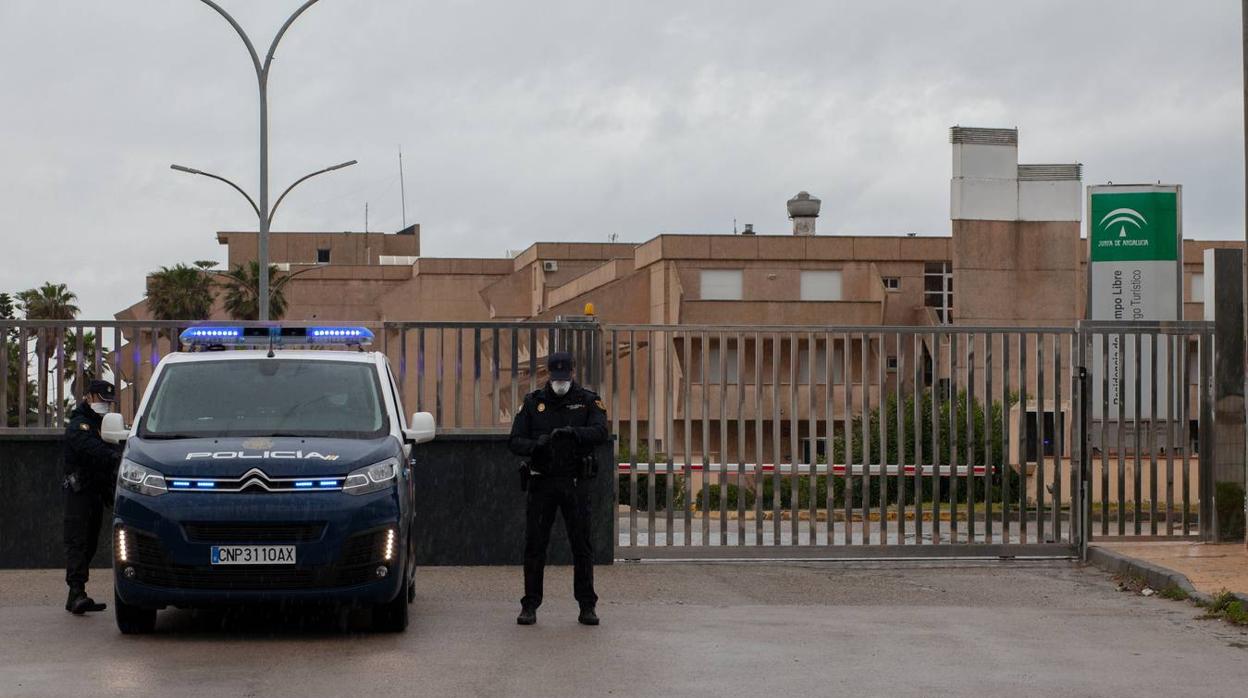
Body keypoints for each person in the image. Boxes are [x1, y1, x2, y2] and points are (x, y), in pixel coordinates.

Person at [508, 351, 609, 626]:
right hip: (542, 481)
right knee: (535, 545)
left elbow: (602, 433)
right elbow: (515, 440)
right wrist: (536, 444)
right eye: (556, 378)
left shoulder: (587, 401)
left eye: (565, 378)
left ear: (572, 374)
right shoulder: (534, 403)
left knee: (582, 546)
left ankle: (587, 605)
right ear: (548, 375)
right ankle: (530, 605)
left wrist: (573, 433)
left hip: (575, 481)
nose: (560, 383)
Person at [63, 379, 121, 615]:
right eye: (101, 400)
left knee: (90, 543)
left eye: (109, 402)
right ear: (89, 396)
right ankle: (76, 592)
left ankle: (76, 595)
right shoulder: (80, 425)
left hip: (96, 492)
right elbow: (93, 451)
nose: (105, 406)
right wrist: (116, 456)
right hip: (80, 492)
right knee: (78, 542)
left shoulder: (101, 424)